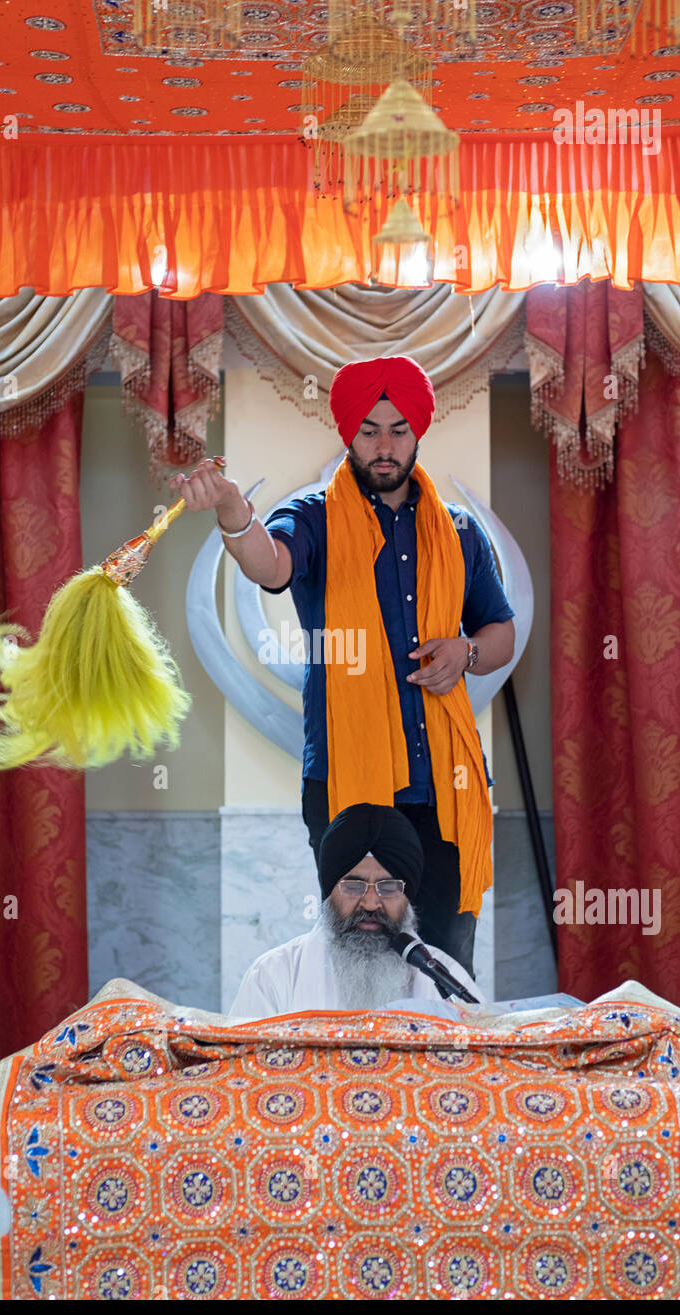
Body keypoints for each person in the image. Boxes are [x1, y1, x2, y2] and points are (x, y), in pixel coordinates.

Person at [169, 355, 515, 975]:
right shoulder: (313, 517)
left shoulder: (459, 532)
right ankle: (358, 1075)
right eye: (369, 430)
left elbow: (501, 633)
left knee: (446, 961)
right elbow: (269, 564)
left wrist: (466, 652)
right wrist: (231, 513)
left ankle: (446, 1075)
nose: (384, 447)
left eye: (398, 430)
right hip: (344, 782)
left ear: (418, 433)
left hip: (443, 786)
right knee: (361, 959)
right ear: (348, 434)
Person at [229, 803, 482, 1019]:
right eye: (353, 886)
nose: (371, 903)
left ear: (408, 898)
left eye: (389, 886)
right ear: (330, 892)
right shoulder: (273, 976)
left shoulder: (446, 977)